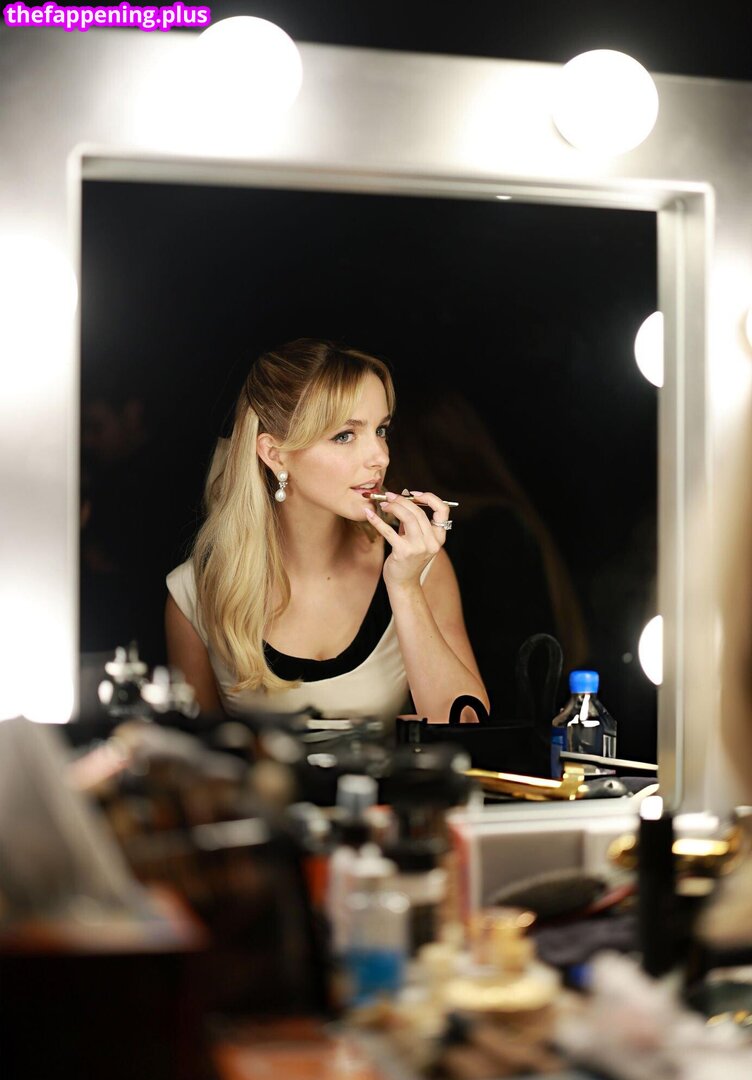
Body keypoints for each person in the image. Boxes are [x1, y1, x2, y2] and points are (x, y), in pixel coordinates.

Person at [165, 338, 488, 725]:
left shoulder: (418, 566)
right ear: (275, 454)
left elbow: (466, 726)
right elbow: (193, 754)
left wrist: (405, 588)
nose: (380, 457)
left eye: (381, 430)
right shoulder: (195, 593)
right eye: (345, 435)